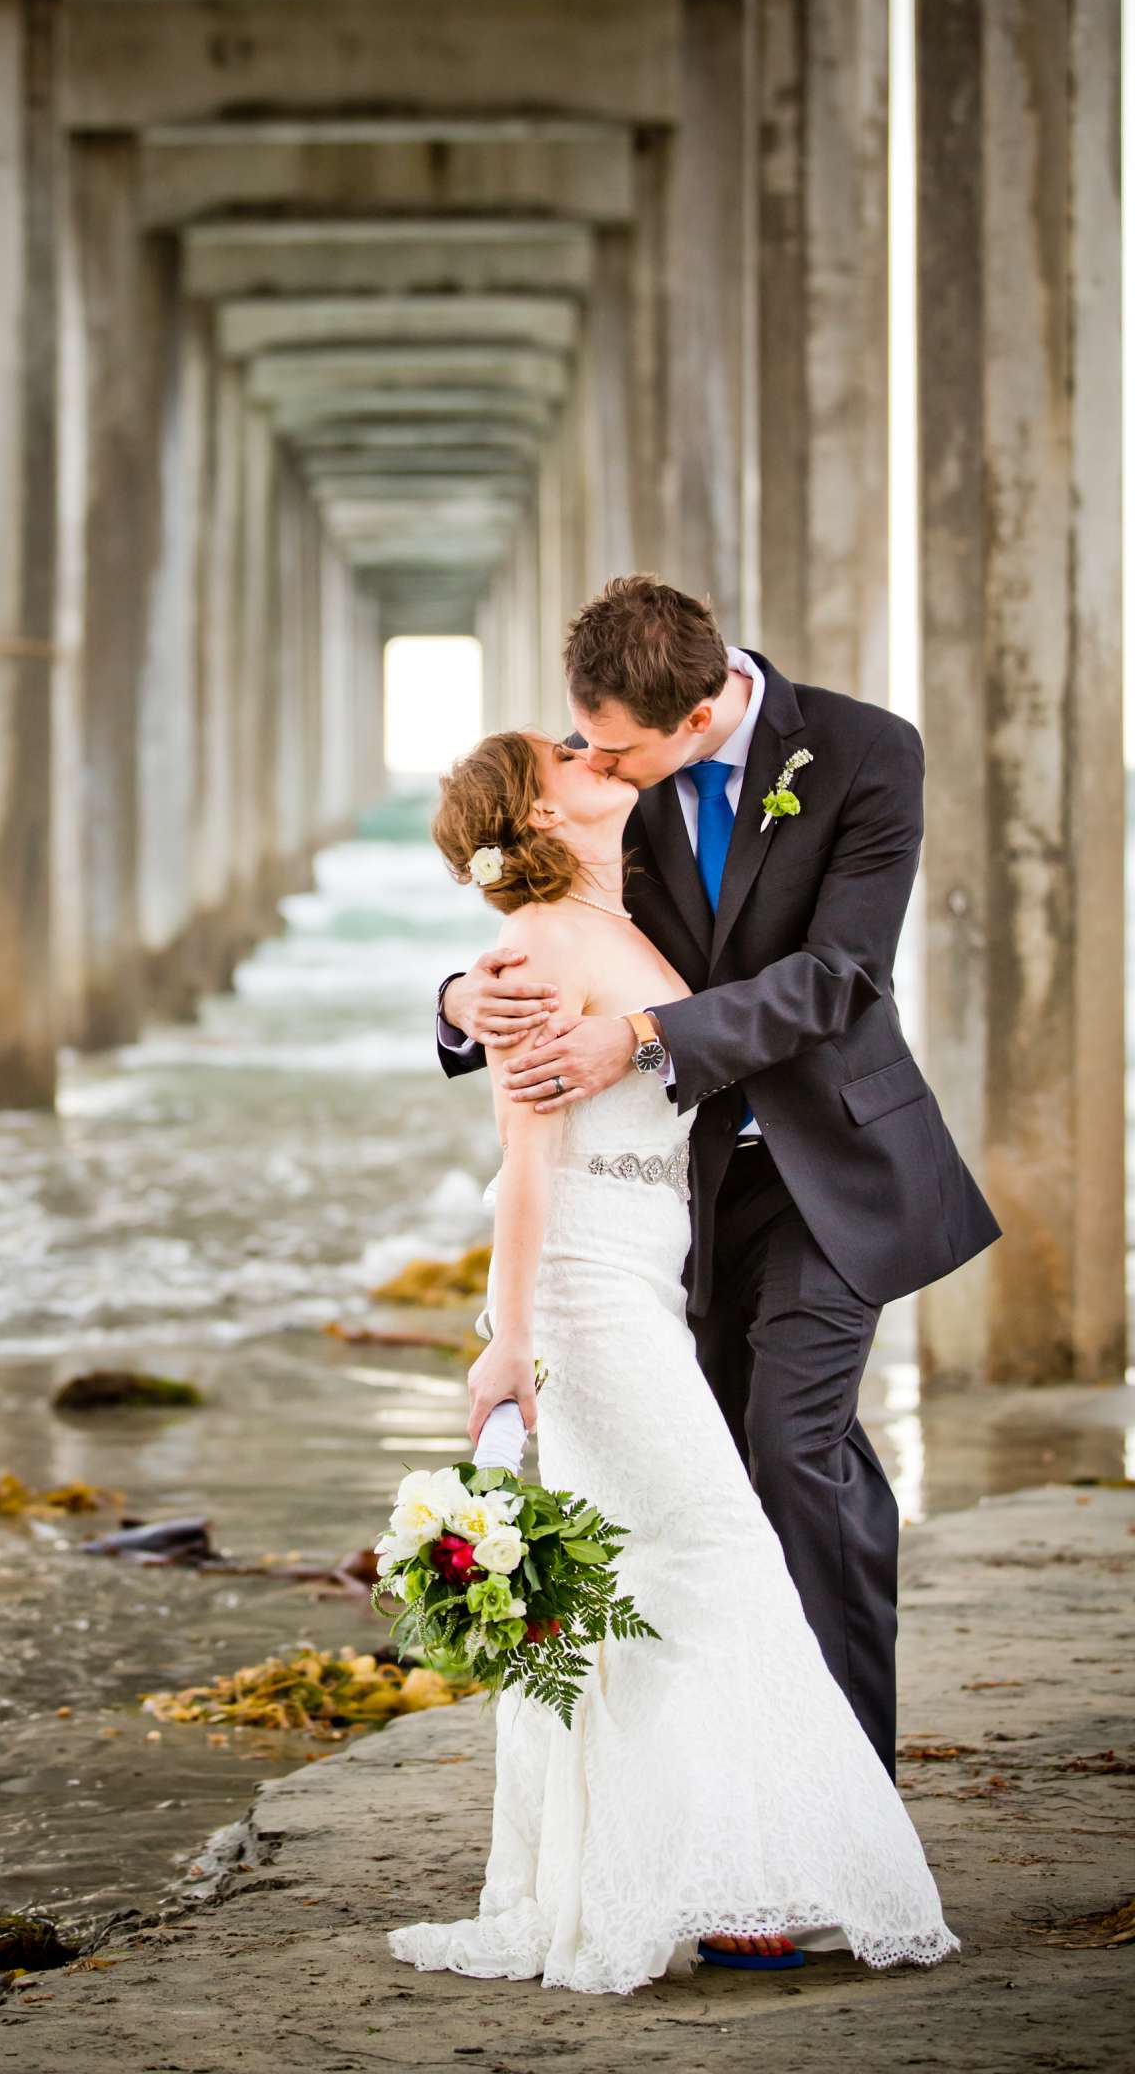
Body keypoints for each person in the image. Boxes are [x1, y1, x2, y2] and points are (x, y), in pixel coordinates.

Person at [387, 727, 959, 1994]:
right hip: (589, 1296)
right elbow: (525, 1156)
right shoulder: (537, 943)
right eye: (567, 748)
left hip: (654, 1277)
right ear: (537, 809)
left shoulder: (626, 893)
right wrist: (510, 1337)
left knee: (644, 1580)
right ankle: (734, 1881)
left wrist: (460, 987)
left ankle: (677, 1871)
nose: (596, 748)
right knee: (711, 1552)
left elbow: (784, 979)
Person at [435, 577, 999, 1779]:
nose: (596, 759)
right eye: (582, 740)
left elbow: (840, 974)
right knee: (751, 1472)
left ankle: (848, 1783)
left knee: (793, 1444)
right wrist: (455, 999)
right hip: (674, 1199)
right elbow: (541, 914)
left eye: (617, 748)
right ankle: (756, 1776)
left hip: (830, 1165)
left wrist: (642, 1040)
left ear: (697, 717)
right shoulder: (602, 785)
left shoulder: (859, 752)